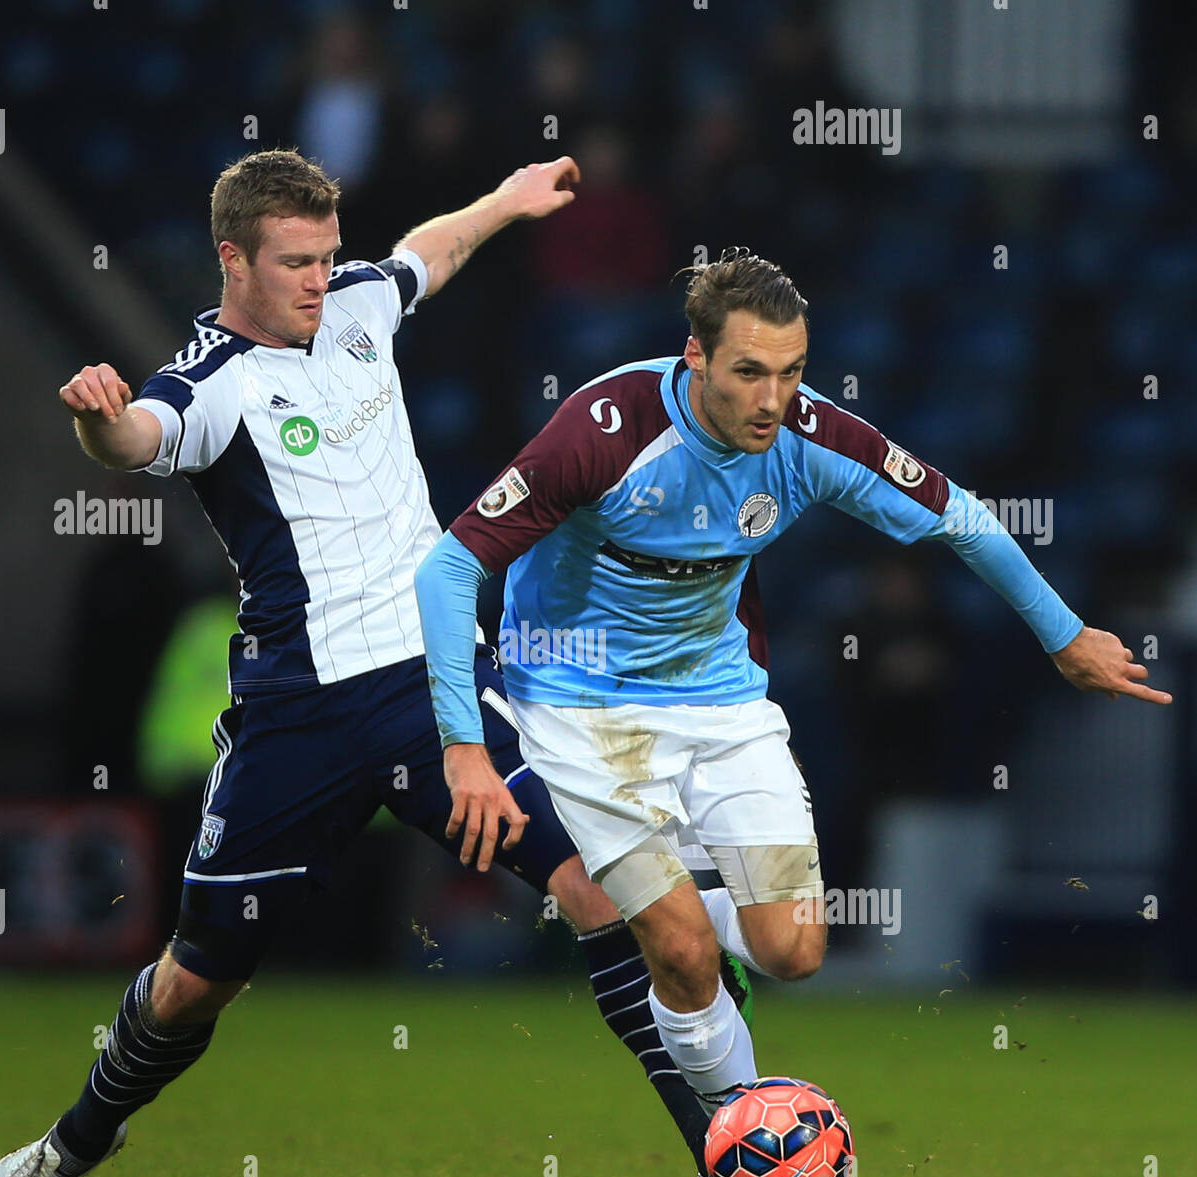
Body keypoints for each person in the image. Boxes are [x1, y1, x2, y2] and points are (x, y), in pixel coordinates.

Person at [0, 150, 747, 1177]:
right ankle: (75, 1140)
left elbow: (425, 253)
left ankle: (727, 1156)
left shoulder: (354, 306)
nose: (318, 281)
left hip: (434, 686)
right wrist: (94, 414)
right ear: (231, 258)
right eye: (294, 262)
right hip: (300, 712)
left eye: (328, 257)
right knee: (198, 978)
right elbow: (135, 439)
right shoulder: (210, 384)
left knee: (596, 892)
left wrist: (504, 204)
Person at [414, 246, 1173, 1116]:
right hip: (583, 712)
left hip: (723, 707)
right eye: (747, 372)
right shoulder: (604, 430)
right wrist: (463, 747)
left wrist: (1063, 634)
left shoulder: (808, 437)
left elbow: (957, 516)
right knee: (687, 954)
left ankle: (656, 907)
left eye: (790, 372)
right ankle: (738, 1140)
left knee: (793, 952)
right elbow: (447, 569)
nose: (771, 399)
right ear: (694, 357)